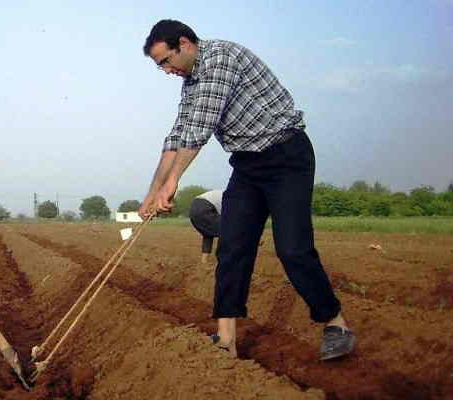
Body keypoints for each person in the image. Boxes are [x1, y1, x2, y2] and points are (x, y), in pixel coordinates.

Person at [138, 20, 355, 361]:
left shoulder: (221, 59)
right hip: (248, 165)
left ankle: (336, 324)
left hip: (286, 156)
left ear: (185, 44)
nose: (165, 70)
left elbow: (200, 130)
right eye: (159, 65)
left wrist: (172, 184)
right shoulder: (191, 80)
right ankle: (226, 340)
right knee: (233, 247)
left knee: (293, 249)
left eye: (165, 61)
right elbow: (179, 132)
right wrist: (152, 191)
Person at [189, 190, 222, 264]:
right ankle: (223, 259)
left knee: (207, 233)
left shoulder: (222, 193)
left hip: (193, 209)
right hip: (205, 207)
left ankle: (204, 260)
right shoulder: (231, 197)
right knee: (226, 230)